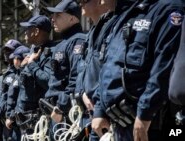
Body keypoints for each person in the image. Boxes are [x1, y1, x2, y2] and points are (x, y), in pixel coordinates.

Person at [91, 0, 185, 141]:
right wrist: (99, 110)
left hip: (145, 125)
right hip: (118, 123)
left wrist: (144, 115)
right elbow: (108, 66)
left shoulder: (169, 8)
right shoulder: (128, 12)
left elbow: (163, 67)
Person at [74, 0, 117, 140]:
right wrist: (82, 93)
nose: (81, 3)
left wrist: (99, 107)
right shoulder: (92, 31)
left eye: (84, 1)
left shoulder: (113, 26)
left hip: (105, 111)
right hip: (89, 109)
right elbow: (82, 67)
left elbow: (108, 70)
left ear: (99, 2)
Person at [0, 39, 22, 141]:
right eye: (5, 51)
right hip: (3, 122)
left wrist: (11, 116)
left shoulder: (19, 72)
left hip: (13, 122)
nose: (6, 54)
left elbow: (17, 97)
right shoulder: (7, 72)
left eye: (9, 51)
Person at [5, 46, 30, 141]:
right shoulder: (18, 74)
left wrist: (11, 116)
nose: (13, 61)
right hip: (14, 120)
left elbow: (20, 98)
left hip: (19, 119)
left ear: (19, 60)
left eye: (15, 58)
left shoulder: (25, 75)